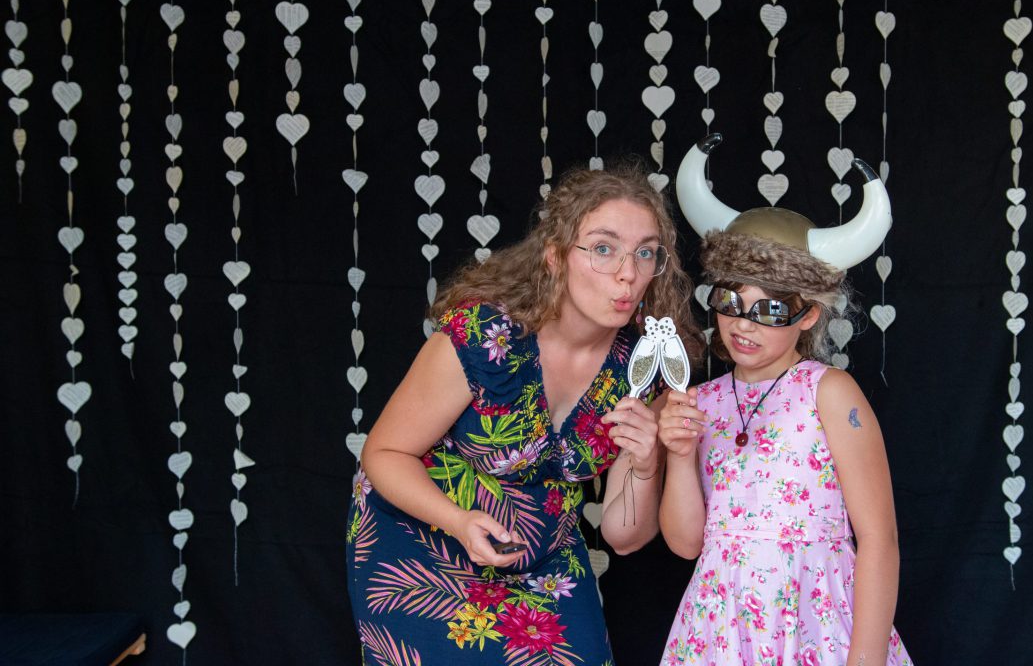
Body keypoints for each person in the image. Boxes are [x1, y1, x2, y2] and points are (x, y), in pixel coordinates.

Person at [346, 161, 701, 665]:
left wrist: (645, 464)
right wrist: (458, 522)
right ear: (555, 257)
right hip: (424, 545)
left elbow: (625, 538)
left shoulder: (644, 369)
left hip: (544, 556)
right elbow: (384, 454)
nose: (628, 272)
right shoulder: (483, 337)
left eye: (645, 252)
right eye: (603, 249)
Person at [656, 134, 913, 666]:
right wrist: (679, 456)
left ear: (809, 314)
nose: (743, 325)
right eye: (730, 301)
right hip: (720, 631)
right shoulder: (698, 400)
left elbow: (879, 539)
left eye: (770, 310)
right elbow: (686, 545)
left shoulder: (829, 392)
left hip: (818, 626)